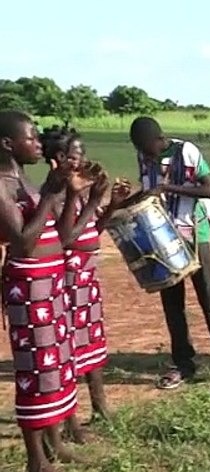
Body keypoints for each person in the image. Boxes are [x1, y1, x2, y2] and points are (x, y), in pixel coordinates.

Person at [0, 111, 93, 472]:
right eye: (31, 138)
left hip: (50, 280)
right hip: (29, 284)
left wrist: (72, 194)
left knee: (56, 364)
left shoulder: (22, 178)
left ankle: (55, 444)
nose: (38, 144)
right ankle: (36, 460)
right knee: (35, 369)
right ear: (8, 143)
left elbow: (60, 233)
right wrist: (52, 193)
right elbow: (22, 241)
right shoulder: (2, 184)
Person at [130, 116, 210, 390]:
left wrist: (167, 187)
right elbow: (150, 193)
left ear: (158, 139)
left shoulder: (186, 151)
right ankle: (183, 362)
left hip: (193, 233)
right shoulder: (144, 157)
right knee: (172, 303)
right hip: (162, 237)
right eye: (141, 150)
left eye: (147, 148)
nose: (145, 154)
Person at [42, 129, 113, 437]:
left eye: (82, 154)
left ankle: (100, 406)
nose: (82, 160)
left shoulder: (77, 190)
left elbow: (92, 232)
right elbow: (66, 238)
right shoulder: (56, 193)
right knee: (69, 349)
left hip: (85, 273)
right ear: (59, 159)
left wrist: (108, 205)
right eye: (75, 155)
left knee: (90, 345)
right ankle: (71, 422)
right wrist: (89, 200)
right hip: (68, 276)